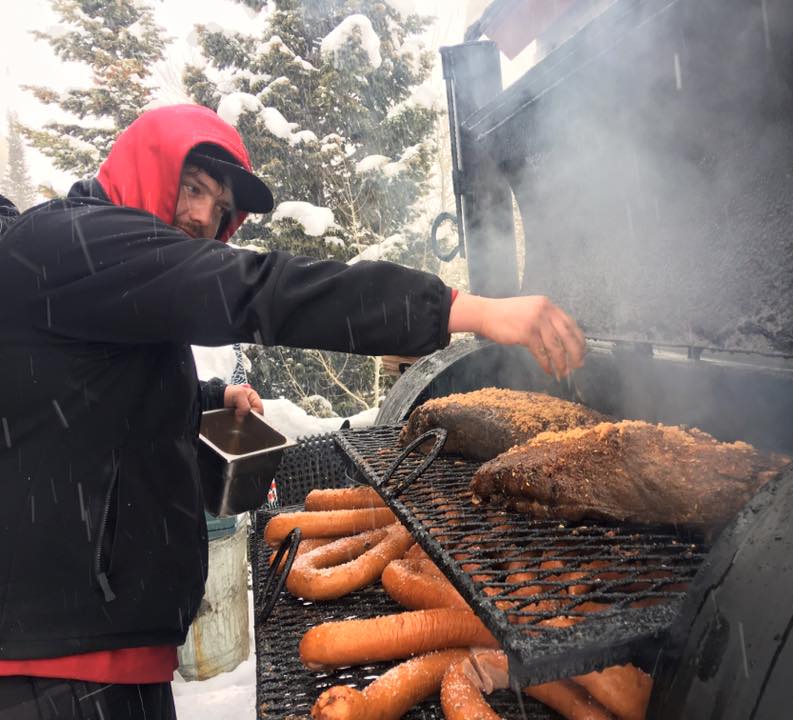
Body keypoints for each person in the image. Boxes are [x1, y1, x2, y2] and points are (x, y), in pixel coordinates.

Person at [0, 103, 585, 718]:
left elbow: (100, 392)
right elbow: (263, 289)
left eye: (222, 208)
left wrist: (207, 399)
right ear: (144, 165)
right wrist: (467, 311)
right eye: (193, 186)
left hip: (96, 652)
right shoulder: (72, 242)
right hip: (58, 672)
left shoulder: (90, 267)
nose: (203, 215)